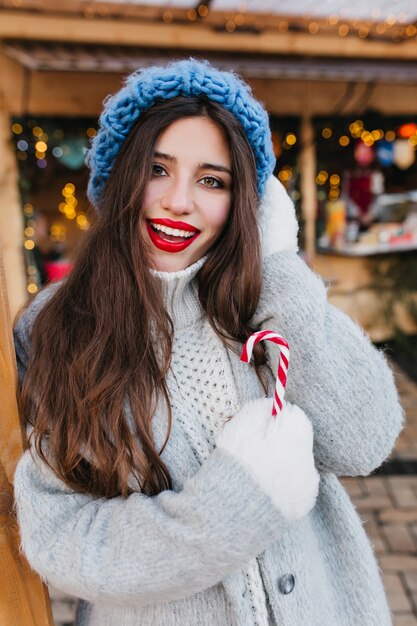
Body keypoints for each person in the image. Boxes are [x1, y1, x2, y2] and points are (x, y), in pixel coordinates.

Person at [13, 59, 403, 626]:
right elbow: (61, 534)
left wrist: (277, 264)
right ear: (122, 176)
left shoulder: (265, 295)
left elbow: (365, 440)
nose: (178, 201)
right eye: (157, 169)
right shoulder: (59, 324)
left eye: (212, 180)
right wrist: (230, 509)